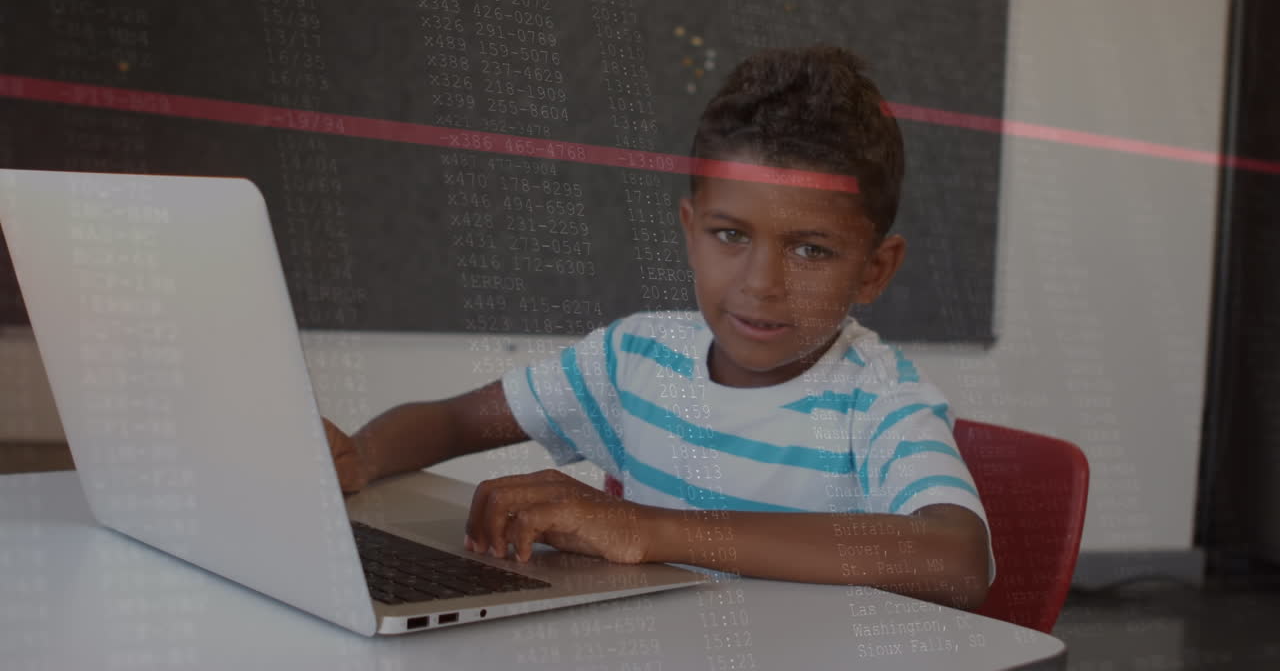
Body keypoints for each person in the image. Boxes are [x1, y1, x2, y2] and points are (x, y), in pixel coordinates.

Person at [325, 45, 993, 610]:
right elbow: (456, 422)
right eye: (730, 234)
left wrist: (648, 529)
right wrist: (363, 456)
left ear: (875, 270)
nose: (761, 283)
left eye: (810, 250)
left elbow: (955, 558)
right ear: (689, 232)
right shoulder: (634, 357)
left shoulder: (879, 400)